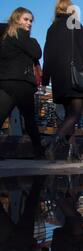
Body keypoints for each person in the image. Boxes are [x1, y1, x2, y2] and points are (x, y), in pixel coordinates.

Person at [43, 0, 83, 162]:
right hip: (75, 75)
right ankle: (53, 144)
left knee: (68, 115)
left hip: (59, 78)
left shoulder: (51, 29)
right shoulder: (75, 24)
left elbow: (48, 55)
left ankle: (72, 153)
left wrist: (46, 79)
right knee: (76, 113)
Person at [0, 7, 44, 159]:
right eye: (26, 19)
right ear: (16, 18)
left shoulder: (7, 35)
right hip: (18, 83)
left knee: (22, 119)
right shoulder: (22, 37)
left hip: (9, 82)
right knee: (29, 121)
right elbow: (37, 52)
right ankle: (39, 152)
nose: (29, 23)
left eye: (31, 21)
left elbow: (37, 54)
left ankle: (39, 151)